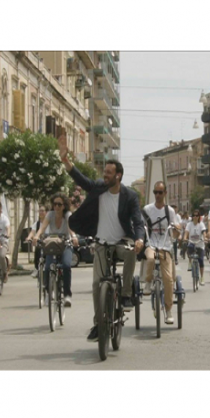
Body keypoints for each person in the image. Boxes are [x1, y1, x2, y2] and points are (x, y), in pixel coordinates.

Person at [59, 143, 145, 342]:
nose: (105, 175)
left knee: (131, 251)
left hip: (122, 241)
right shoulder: (98, 188)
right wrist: (66, 160)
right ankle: (98, 323)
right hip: (101, 243)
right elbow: (81, 179)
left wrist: (139, 238)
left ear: (118, 176)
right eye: (104, 172)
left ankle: (125, 294)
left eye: (109, 173)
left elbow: (137, 220)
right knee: (98, 284)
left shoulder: (130, 195)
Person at [141, 181, 180, 324]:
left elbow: (175, 232)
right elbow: (141, 226)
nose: (157, 195)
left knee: (169, 279)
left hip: (165, 246)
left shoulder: (169, 211)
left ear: (165, 194)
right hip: (151, 244)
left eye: (160, 192)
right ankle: (148, 282)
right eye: (155, 192)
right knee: (150, 260)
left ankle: (168, 310)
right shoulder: (147, 209)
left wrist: (177, 229)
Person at [29, 193, 78, 308]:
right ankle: (47, 292)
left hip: (65, 243)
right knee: (47, 267)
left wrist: (74, 236)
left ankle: (67, 295)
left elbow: (71, 229)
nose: (56, 207)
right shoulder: (50, 215)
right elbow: (42, 228)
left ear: (64, 206)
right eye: (55, 204)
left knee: (66, 266)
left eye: (59, 204)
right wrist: (36, 236)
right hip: (52, 243)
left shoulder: (67, 215)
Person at [184, 208, 206, 287]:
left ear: (199, 217)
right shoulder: (189, 224)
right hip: (192, 242)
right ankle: (190, 263)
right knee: (189, 251)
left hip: (200, 244)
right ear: (192, 217)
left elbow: (204, 232)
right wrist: (185, 238)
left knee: (201, 261)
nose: (195, 217)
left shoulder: (201, 224)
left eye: (197, 216)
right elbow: (186, 232)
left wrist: (205, 238)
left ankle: (202, 277)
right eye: (194, 216)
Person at [27, 205, 48, 277]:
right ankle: (36, 268)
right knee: (37, 251)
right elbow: (32, 232)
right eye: (40, 211)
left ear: (46, 212)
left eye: (43, 211)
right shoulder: (37, 223)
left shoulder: (49, 223)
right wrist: (29, 238)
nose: (41, 212)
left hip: (48, 242)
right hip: (40, 243)